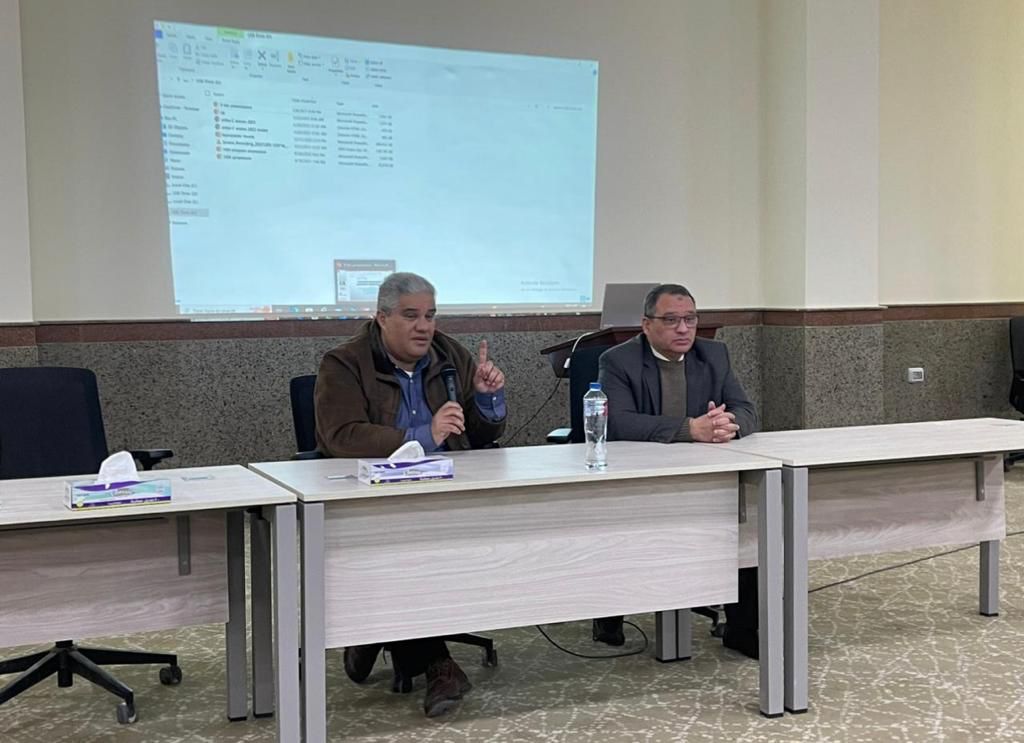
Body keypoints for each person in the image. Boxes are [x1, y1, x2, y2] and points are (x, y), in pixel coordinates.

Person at [314, 272, 507, 717]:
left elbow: (479, 436)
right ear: (381, 317)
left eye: (430, 316)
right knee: (402, 553)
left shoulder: (450, 355)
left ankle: (374, 635)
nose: (424, 327)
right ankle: (439, 664)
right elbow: (340, 436)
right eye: (411, 316)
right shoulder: (344, 363)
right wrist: (422, 436)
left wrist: (486, 400)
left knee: (440, 546)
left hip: (445, 492)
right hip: (371, 500)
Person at [595, 283, 761, 658]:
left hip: (704, 477)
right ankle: (609, 613)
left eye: (690, 319)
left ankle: (743, 630)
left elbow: (747, 410)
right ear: (646, 325)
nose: (684, 329)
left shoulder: (714, 355)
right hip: (638, 479)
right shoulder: (618, 360)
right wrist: (691, 429)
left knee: (748, 525)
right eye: (671, 320)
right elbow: (617, 422)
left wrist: (728, 424)